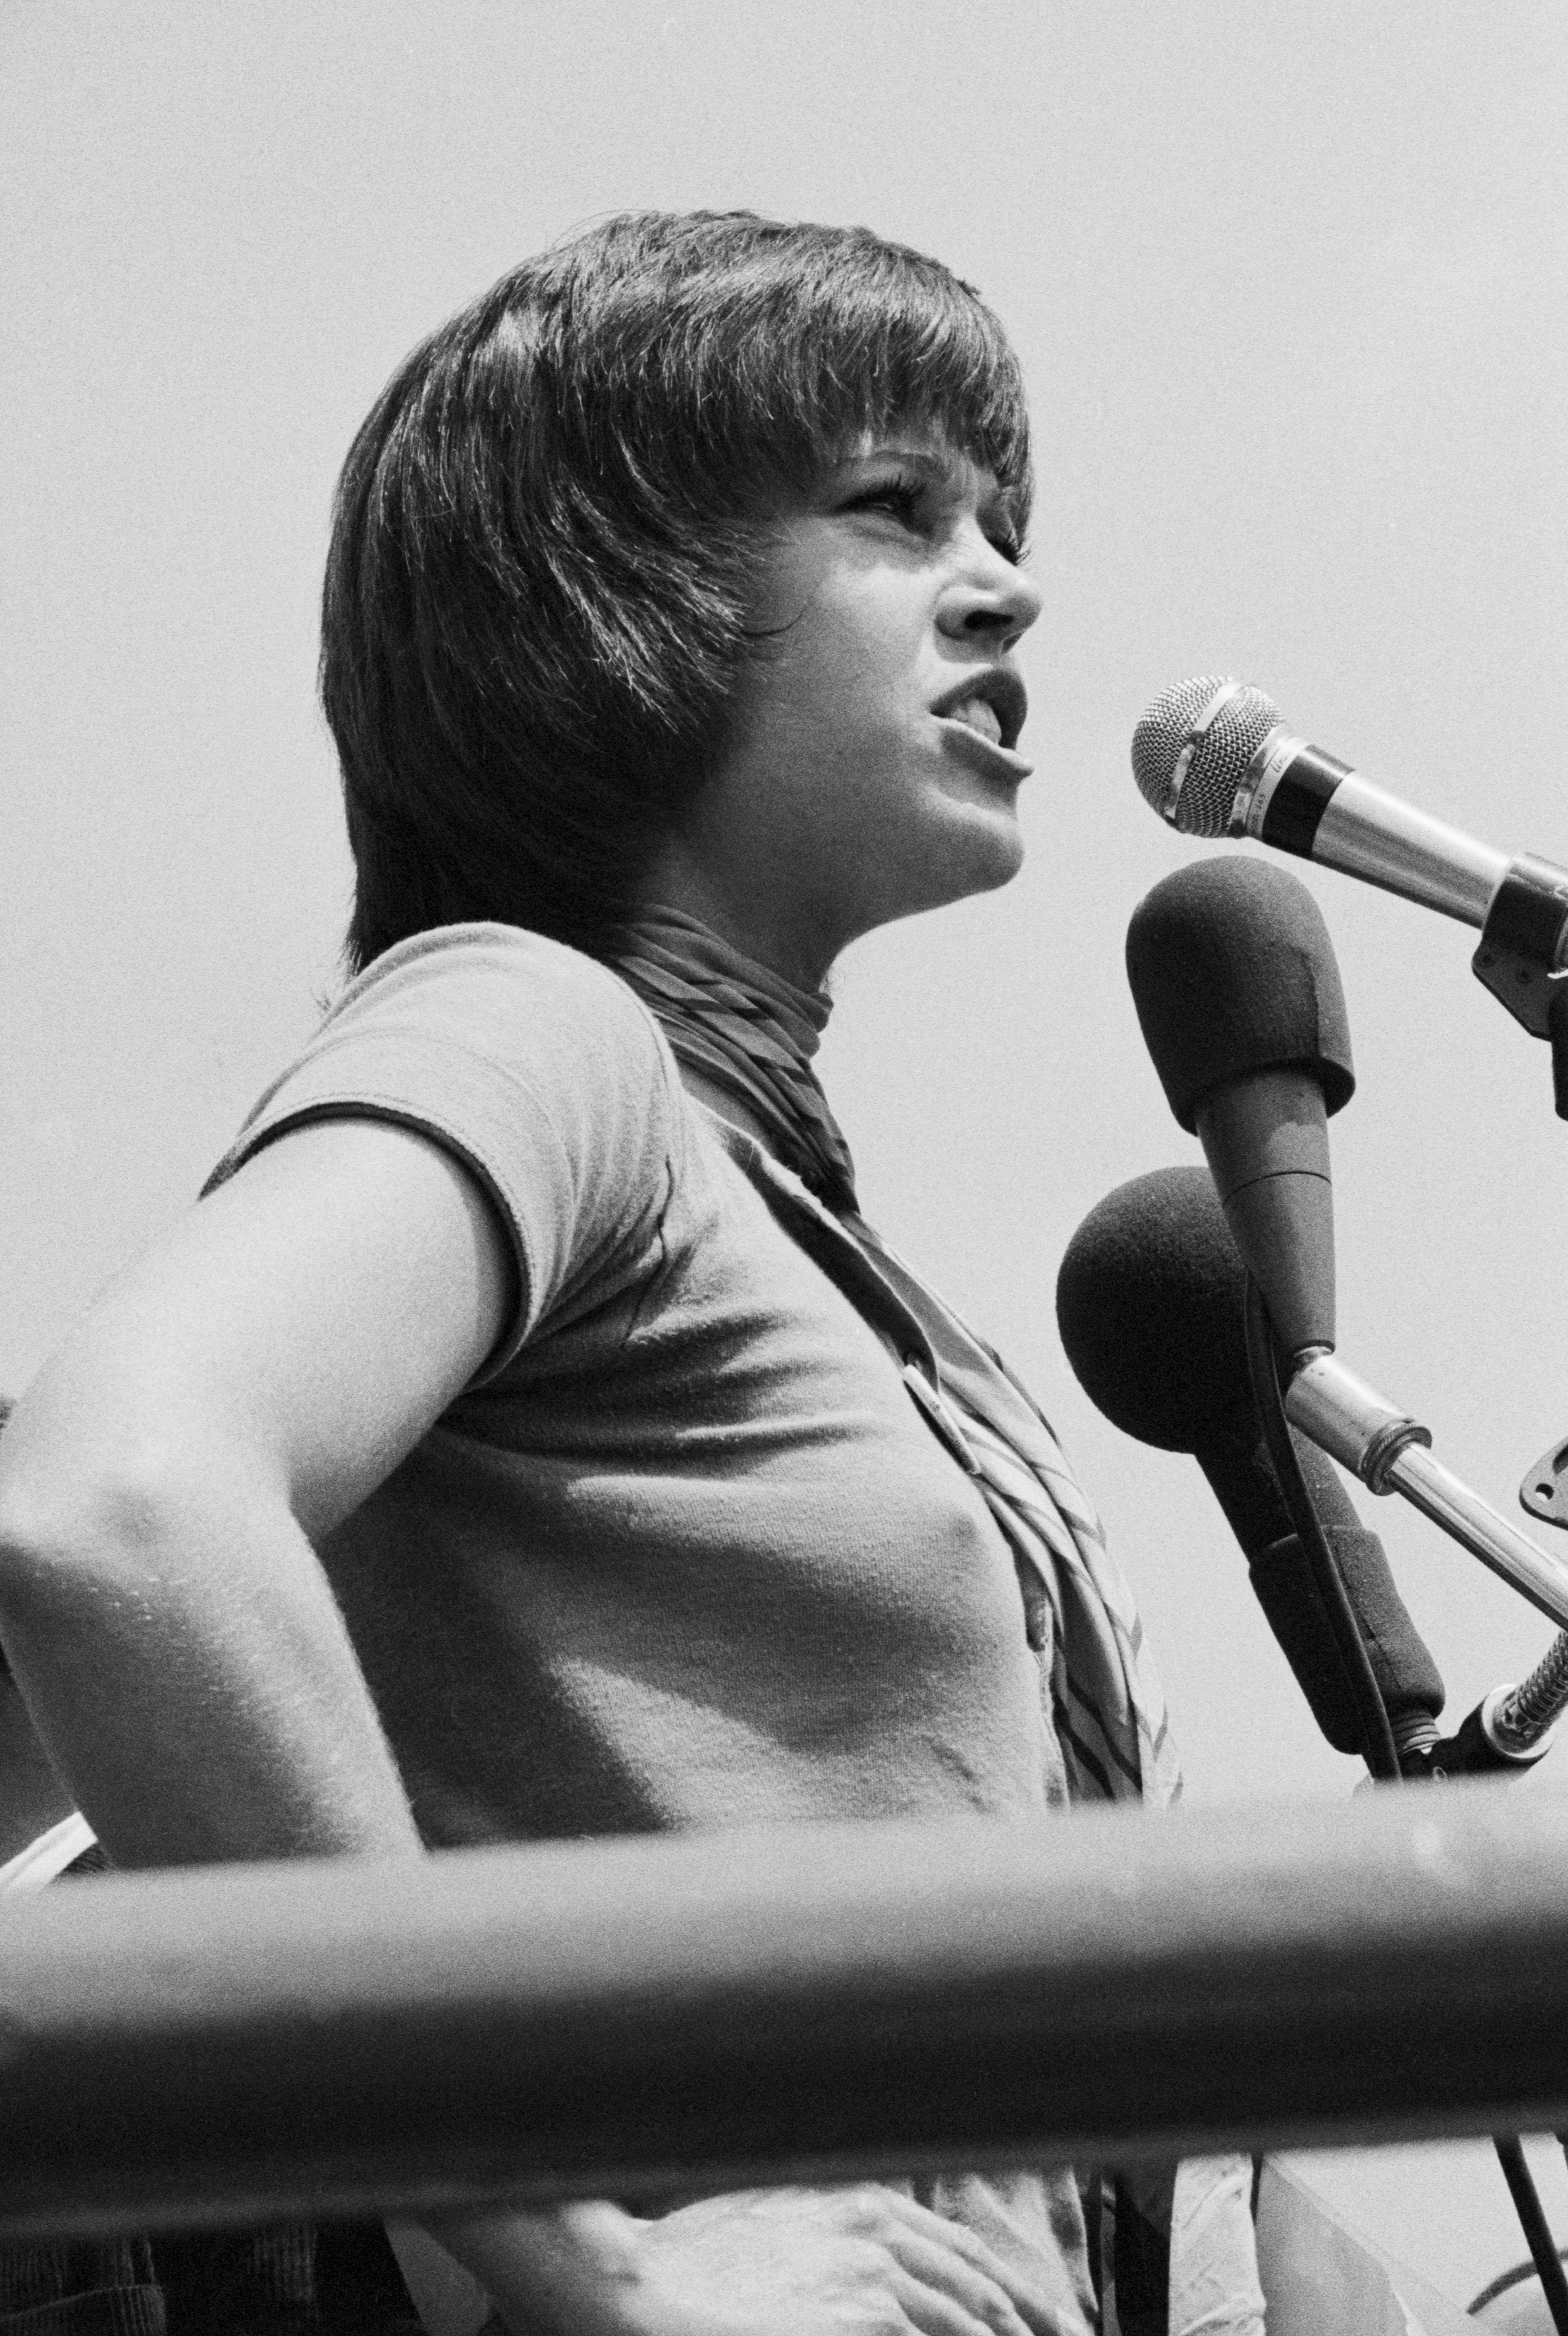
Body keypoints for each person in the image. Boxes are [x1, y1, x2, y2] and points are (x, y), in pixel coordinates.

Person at [0, 212, 1264, 2336]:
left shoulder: (828, 1266)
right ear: (620, 597)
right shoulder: (540, 1036)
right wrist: (586, 2249)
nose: (1008, 580)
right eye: (896, 505)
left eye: (1004, 516)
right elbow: (119, 1511)